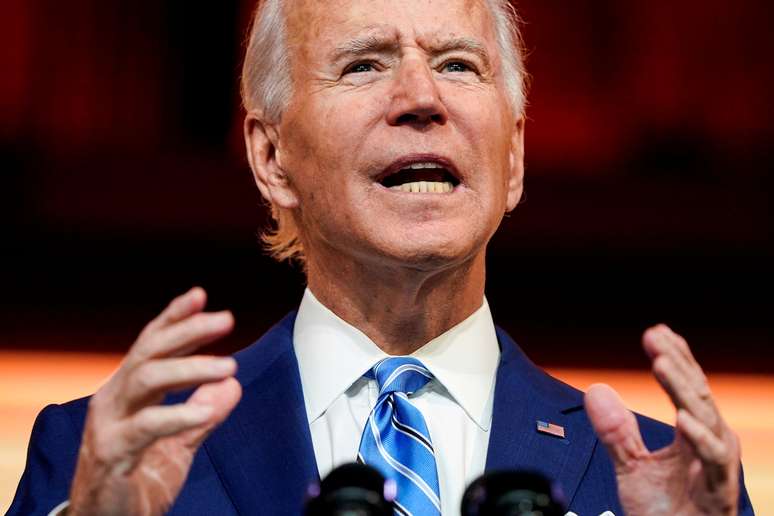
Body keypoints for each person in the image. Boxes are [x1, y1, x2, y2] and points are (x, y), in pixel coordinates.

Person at [9, 0, 754, 514]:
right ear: (271, 157)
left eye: (459, 65)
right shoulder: (100, 460)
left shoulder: (661, 484)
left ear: (516, 155)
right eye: (364, 65)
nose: (420, 98)